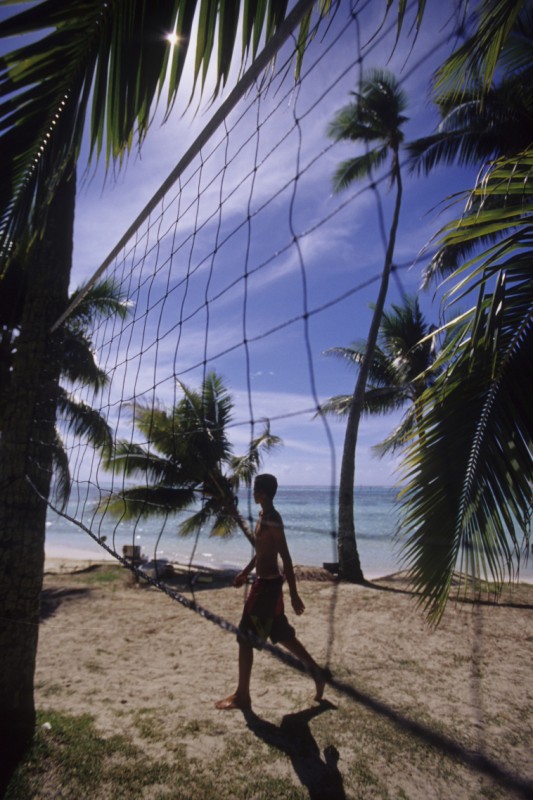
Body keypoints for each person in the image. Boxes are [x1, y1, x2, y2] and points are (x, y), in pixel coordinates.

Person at [215, 473, 330, 711]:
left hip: (268, 587)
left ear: (263, 493)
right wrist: (246, 572)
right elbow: (261, 551)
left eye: (255, 489)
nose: (253, 492)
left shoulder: (273, 520)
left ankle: (242, 696)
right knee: (282, 634)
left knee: (244, 638)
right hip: (264, 584)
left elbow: (285, 557)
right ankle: (317, 672)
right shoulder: (262, 517)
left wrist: (295, 594)